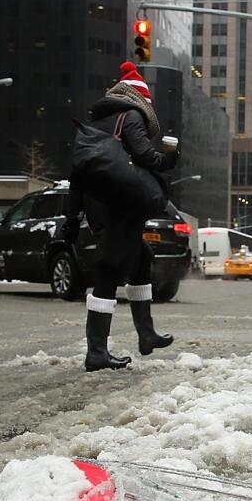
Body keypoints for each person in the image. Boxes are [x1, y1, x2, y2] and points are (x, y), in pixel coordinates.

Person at [67, 61, 179, 371]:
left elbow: (77, 176)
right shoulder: (130, 115)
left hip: (100, 205)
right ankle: (97, 351)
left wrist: (71, 217)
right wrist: (169, 159)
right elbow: (145, 155)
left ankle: (146, 334)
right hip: (120, 205)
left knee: (140, 260)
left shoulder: (95, 126)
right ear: (141, 100)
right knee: (110, 271)